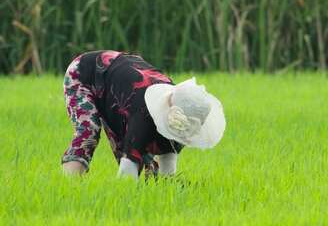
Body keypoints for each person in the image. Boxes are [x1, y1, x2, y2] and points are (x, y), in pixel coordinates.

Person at [61, 50, 226, 180]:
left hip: (120, 89)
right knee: (89, 131)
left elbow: (167, 172)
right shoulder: (143, 115)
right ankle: (69, 188)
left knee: (152, 178)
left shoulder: (186, 108)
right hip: (87, 73)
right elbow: (126, 175)